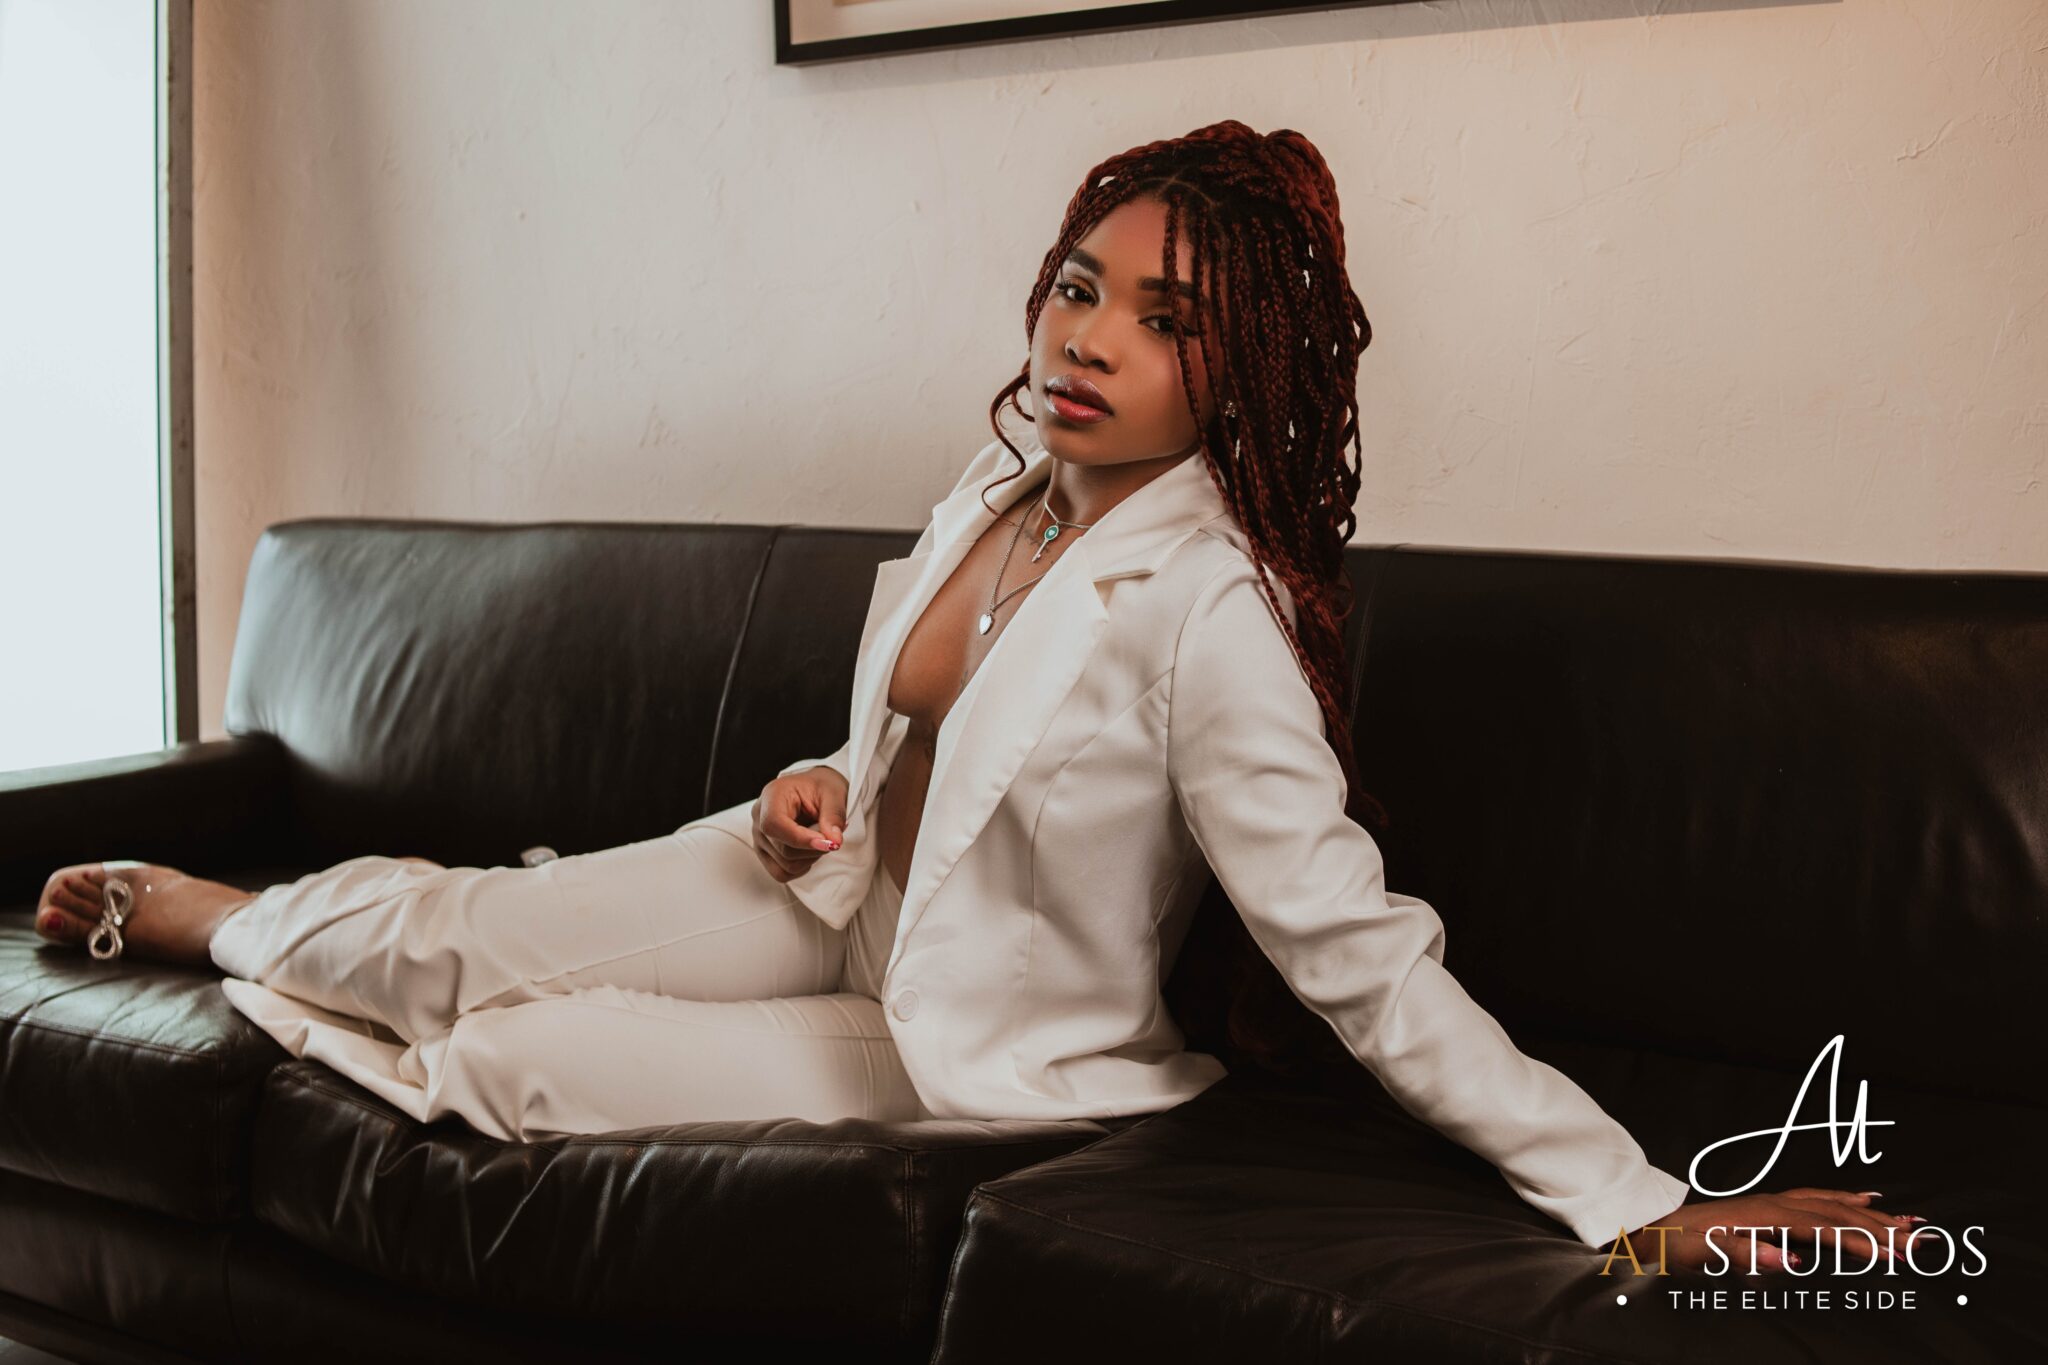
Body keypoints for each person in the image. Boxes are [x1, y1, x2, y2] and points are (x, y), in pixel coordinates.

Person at [35, 120, 1914, 1273]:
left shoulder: (1215, 611)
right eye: (1081, 288)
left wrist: (1635, 1196)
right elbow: (916, 749)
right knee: (466, 935)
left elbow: (1357, 951)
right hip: (823, 891)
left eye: (1165, 321)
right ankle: (226, 916)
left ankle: (290, 964)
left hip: (948, 1034)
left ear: (1240, 372)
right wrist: (816, 782)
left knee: (525, 1057)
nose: (1089, 338)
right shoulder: (998, 487)